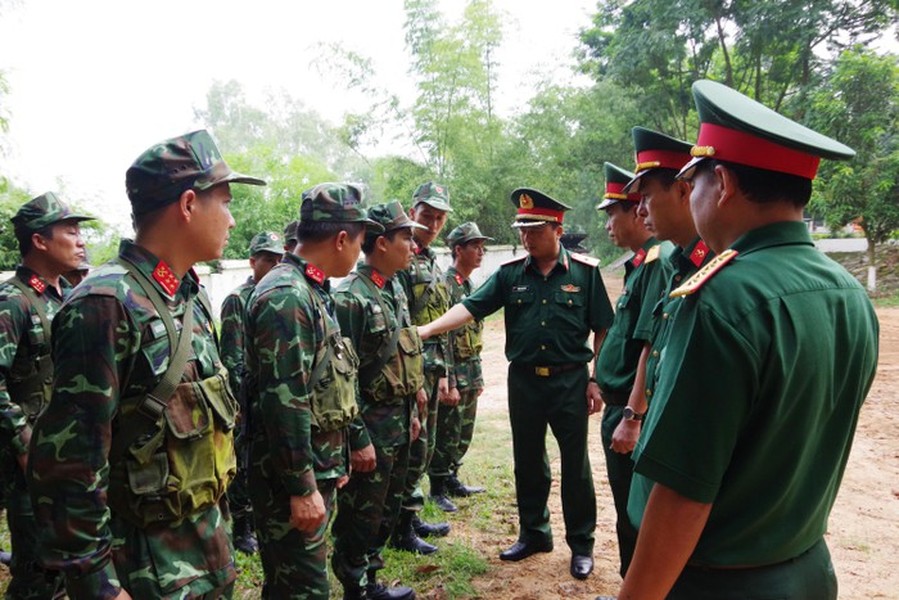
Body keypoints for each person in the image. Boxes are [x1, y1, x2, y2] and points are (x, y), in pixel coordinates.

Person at [607, 80, 879, 600]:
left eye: (694, 181)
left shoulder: (719, 299)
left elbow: (684, 490)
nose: (692, 195)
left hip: (717, 581)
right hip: (805, 571)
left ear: (723, 183)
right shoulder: (849, 294)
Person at [28, 129, 265, 599]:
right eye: (226, 201)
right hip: (142, 570)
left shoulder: (186, 296)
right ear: (189, 204)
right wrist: (97, 584)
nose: (233, 220)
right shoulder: (105, 303)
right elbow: (69, 464)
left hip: (205, 553)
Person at [419, 188, 614, 581]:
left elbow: (603, 328)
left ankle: (581, 544)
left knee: (575, 467)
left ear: (557, 229)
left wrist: (597, 379)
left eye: (535, 230)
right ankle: (534, 534)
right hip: (524, 382)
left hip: (570, 383)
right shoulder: (510, 275)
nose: (526, 237)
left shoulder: (585, 273)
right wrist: (425, 330)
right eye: (522, 230)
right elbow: (470, 308)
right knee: (528, 462)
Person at [244, 182, 379, 600]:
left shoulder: (312, 289)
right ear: (341, 239)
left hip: (315, 466)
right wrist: (302, 488)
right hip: (289, 478)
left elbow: (331, 380)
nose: (360, 253)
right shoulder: (287, 296)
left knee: (296, 581)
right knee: (303, 589)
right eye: (360, 242)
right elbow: (285, 402)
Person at [331, 200, 427, 600]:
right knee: (362, 512)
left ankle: (371, 575)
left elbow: (404, 350)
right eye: (406, 237)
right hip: (371, 423)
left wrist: (416, 398)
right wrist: (357, 437)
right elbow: (342, 376)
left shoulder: (394, 290)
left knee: (388, 504)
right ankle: (356, 583)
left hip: (400, 418)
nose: (414, 246)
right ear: (382, 243)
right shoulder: (350, 298)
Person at [1, 192, 93, 599]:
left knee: (62, 559)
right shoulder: (13, 302)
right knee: (36, 571)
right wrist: (23, 443)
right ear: (39, 240)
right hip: (27, 462)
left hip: (62, 456)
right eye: (70, 231)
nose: (81, 240)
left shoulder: (62, 298)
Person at [594, 162, 672, 578]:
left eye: (613, 213)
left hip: (629, 411)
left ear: (638, 210)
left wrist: (631, 415)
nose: (609, 224)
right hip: (619, 408)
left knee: (636, 509)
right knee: (626, 507)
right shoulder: (639, 265)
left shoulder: (657, 265)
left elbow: (648, 347)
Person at [619, 127, 713, 423]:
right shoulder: (678, 263)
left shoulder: (714, 267)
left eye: (646, 197)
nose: (641, 211)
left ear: (683, 191)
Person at [391, 182, 454, 555]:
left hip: (430, 368)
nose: (432, 223)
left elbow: (440, 320)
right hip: (408, 370)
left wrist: (444, 369)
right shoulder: (401, 256)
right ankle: (400, 527)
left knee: (423, 448)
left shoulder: (431, 259)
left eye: (439, 218)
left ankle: (410, 516)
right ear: (413, 212)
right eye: (427, 216)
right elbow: (398, 320)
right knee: (410, 448)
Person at [219, 231, 284, 555]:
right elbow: (231, 354)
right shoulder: (238, 298)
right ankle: (242, 528)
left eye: (278, 258)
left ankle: (260, 520)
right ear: (252, 261)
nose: (274, 264)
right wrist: (237, 400)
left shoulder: (278, 295)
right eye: (268, 258)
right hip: (245, 396)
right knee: (242, 464)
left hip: (267, 397)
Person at [430, 222, 493, 499]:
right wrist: (450, 381)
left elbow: (473, 333)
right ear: (458, 250)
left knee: (463, 430)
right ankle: (438, 487)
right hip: (454, 371)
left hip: (470, 368)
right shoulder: (446, 285)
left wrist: (476, 377)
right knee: (447, 431)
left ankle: (452, 477)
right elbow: (443, 336)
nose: (482, 252)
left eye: (482, 246)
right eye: (475, 246)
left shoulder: (468, 284)